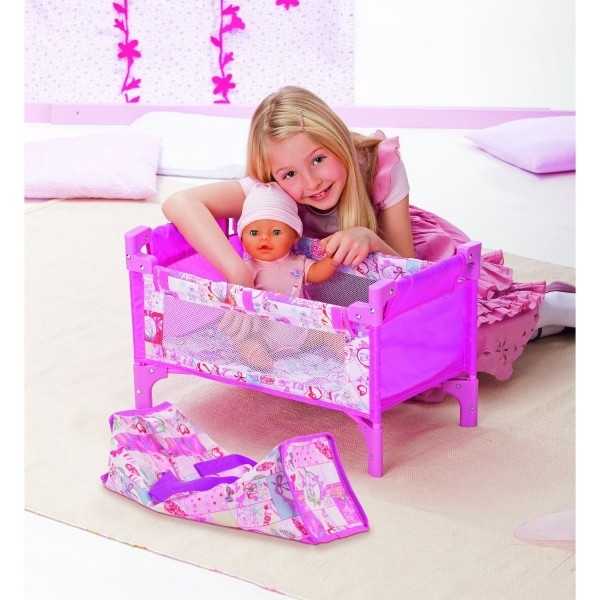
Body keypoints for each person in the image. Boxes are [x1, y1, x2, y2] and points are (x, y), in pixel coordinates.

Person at [163, 85, 575, 381]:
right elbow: (180, 203)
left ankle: (548, 309)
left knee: (449, 339)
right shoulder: (270, 190)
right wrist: (236, 273)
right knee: (380, 361)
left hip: (403, 266)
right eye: (289, 173)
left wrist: (369, 238)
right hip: (340, 292)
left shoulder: (379, 165)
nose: (310, 182)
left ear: (337, 141)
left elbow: (407, 268)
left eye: (318, 159)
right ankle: (541, 322)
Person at [220, 181, 340, 370]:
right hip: (263, 333)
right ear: (242, 238)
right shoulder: (245, 269)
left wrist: (332, 260)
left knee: (329, 332)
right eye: (254, 232)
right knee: (243, 340)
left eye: (276, 232)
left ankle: (348, 355)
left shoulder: (298, 262)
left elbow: (317, 273)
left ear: (294, 237)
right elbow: (233, 296)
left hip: (302, 331)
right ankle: (258, 357)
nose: (264, 238)